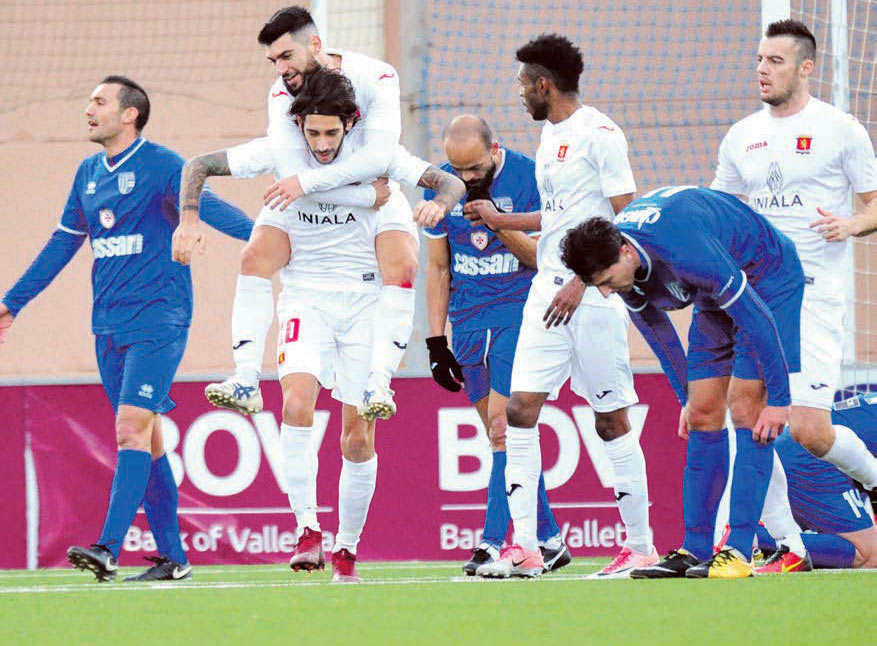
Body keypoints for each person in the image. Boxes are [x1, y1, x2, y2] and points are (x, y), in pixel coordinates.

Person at [176, 68, 464, 583]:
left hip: (364, 303)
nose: (322, 144)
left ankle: (347, 548)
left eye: (332, 133)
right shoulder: (281, 152)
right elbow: (198, 165)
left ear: (351, 124)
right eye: (313, 133)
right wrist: (189, 217)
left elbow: (449, 180)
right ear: (300, 127)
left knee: (357, 439)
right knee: (295, 402)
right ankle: (306, 527)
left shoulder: (379, 157)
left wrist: (438, 203)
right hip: (306, 296)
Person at [0, 76, 253, 582]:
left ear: (130, 114)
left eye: (98, 101)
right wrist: (12, 304)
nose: (87, 109)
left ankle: (106, 547)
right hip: (107, 326)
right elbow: (61, 244)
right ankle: (174, 558)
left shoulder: (163, 166)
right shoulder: (88, 173)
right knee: (150, 439)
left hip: (159, 319)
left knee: (129, 428)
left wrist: (282, 246)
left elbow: (220, 213)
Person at [466, 34, 656, 579]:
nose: (520, 94)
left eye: (524, 84)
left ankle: (640, 546)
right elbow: (562, 216)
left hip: (592, 298)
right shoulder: (550, 135)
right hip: (544, 291)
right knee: (519, 411)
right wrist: (504, 220)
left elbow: (631, 218)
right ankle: (526, 546)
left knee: (610, 420)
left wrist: (584, 276)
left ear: (544, 84)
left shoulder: (600, 134)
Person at [172, 6, 419, 420]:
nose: (280, 70)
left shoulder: (377, 77)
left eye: (286, 57)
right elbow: (291, 172)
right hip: (315, 201)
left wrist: (434, 200)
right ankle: (246, 377)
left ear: (317, 45)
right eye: (273, 61)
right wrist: (189, 217)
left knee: (404, 263)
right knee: (253, 257)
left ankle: (382, 381)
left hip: (370, 203)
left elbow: (379, 158)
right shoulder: (281, 95)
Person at [560, 185, 804, 579]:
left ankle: (739, 550)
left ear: (626, 250)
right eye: (596, 285)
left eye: (606, 280)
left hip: (766, 278)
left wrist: (779, 398)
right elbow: (660, 335)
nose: (605, 292)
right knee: (705, 411)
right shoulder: (624, 266)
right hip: (717, 288)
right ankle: (694, 549)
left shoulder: (685, 249)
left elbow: (756, 319)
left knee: (745, 407)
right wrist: (685, 400)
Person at [710, 19, 877, 572]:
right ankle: (790, 547)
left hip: (814, 296)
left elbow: (874, 204)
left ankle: (873, 480)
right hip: (754, 298)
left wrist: (852, 225)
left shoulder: (841, 128)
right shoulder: (741, 135)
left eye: (775, 61)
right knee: (744, 410)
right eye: (759, 59)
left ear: (806, 68)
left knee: (808, 429)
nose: (762, 69)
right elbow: (721, 214)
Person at [423, 114, 570, 576]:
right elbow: (438, 267)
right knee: (499, 437)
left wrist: (495, 217)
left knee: (504, 428)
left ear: (493, 150)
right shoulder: (439, 185)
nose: (464, 180)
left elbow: (540, 258)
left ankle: (492, 542)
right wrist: (434, 340)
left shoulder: (530, 176)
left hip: (518, 315)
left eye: (472, 170)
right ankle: (550, 539)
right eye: (456, 170)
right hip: (467, 322)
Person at [753, 393, 876, 570]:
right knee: (869, 555)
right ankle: (756, 536)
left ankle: (759, 534)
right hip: (811, 460)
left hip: (795, 450)